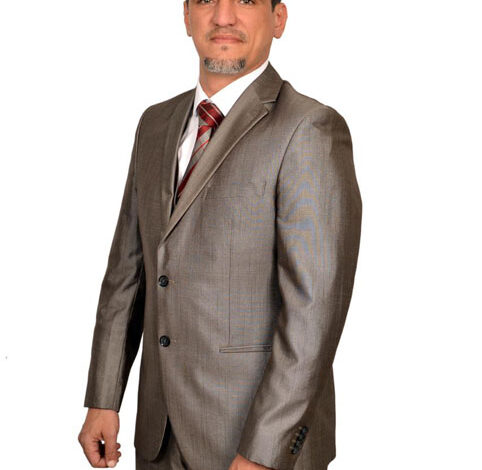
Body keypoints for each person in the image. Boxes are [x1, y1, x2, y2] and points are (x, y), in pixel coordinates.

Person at [78, 1, 362, 469]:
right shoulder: (154, 125)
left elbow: (314, 312)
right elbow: (128, 273)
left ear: (278, 19)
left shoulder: (309, 128)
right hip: (158, 437)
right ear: (186, 16)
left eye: (246, 0)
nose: (224, 16)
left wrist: (264, 451)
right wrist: (104, 397)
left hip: (251, 441)